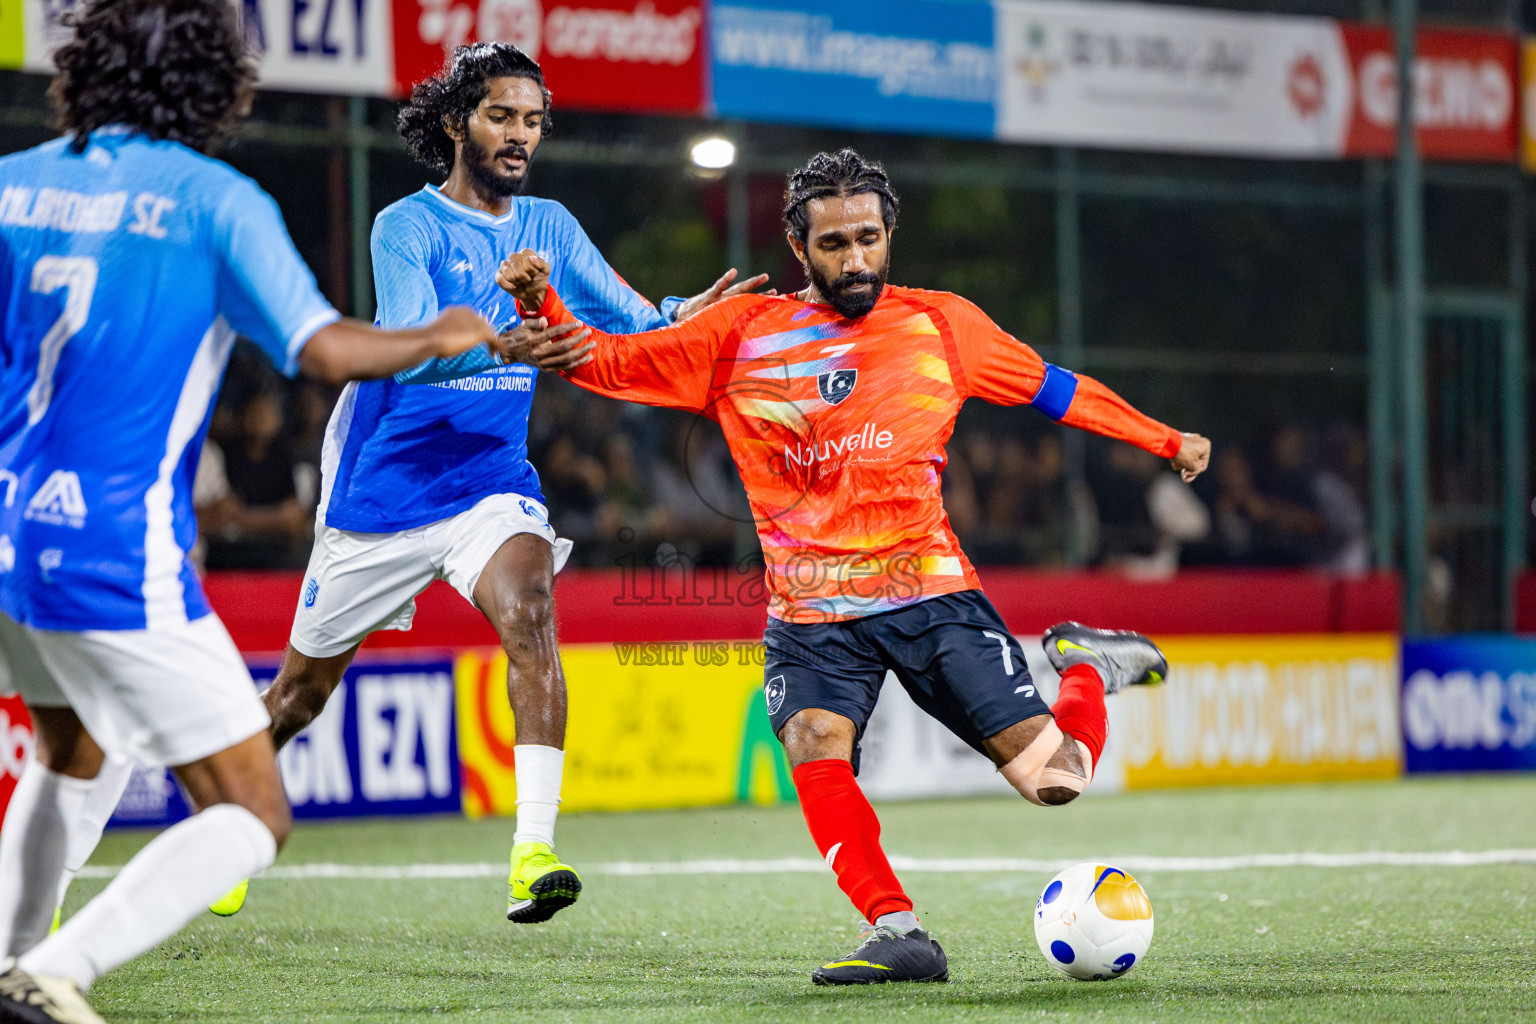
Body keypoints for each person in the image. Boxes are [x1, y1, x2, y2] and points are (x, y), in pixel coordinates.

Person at [499, 148, 1211, 985]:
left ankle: (1085, 666)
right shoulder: (739, 336)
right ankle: (899, 931)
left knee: (1057, 782)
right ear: (800, 249)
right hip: (808, 615)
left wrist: (1163, 439)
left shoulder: (944, 325)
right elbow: (608, 362)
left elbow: (1056, 389)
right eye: (834, 245)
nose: (856, 260)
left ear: (888, 235)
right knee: (813, 741)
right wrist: (539, 300)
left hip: (930, 596)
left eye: (869, 239)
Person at [0, 2, 501, 1021]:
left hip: (7, 527)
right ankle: (54, 973)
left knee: (70, 747)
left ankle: (10, 962)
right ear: (213, 81)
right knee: (252, 810)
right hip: (110, 547)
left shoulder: (12, 183)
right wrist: (442, 334)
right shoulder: (213, 199)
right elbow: (321, 349)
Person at [232, 41, 766, 924]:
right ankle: (229, 816)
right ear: (455, 123)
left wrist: (682, 321)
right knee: (297, 698)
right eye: (502, 116)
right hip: (382, 490)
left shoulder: (548, 223)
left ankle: (532, 850)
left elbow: (627, 318)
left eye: (532, 120)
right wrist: (505, 344)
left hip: (488, 482)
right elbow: (404, 351)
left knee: (531, 607)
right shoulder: (408, 226)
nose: (521, 136)